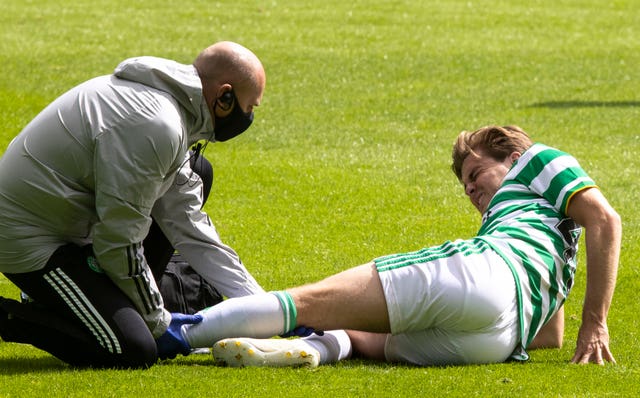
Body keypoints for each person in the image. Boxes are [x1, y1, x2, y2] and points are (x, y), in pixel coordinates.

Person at [177, 125, 621, 368]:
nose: (468, 189)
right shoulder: (554, 245)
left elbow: (605, 219)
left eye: (475, 173)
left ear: (511, 156)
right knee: (366, 338)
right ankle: (304, 351)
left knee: (310, 301)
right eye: (464, 183)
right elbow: (549, 336)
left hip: (486, 275)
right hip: (498, 340)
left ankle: (171, 335)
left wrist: (595, 324)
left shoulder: (538, 158)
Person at [0, 41, 267, 368]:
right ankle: (19, 312)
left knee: (199, 172)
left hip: (70, 227)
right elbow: (117, 240)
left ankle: (87, 298)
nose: (250, 116)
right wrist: (158, 323)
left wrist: (265, 308)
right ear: (224, 97)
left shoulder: (174, 111)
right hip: (30, 239)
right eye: (250, 106)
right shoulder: (156, 125)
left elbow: (189, 227)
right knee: (133, 348)